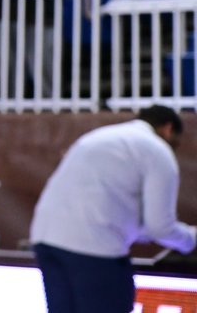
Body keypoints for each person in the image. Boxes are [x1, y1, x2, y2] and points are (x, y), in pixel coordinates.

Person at [30, 106, 196, 313]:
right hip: (92, 247)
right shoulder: (157, 151)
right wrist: (190, 239)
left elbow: (103, 203)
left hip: (46, 240)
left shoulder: (98, 137)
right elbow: (160, 227)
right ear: (168, 129)